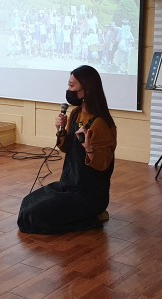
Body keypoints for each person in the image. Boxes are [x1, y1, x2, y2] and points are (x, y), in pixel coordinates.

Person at [17, 65, 117, 234]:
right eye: (68, 85)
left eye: (72, 86)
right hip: (69, 184)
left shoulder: (101, 123)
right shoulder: (76, 113)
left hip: (88, 193)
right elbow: (66, 148)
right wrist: (60, 130)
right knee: (27, 204)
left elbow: (105, 164)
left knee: (32, 217)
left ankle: (92, 215)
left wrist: (89, 149)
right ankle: (86, 215)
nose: (68, 90)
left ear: (87, 90)